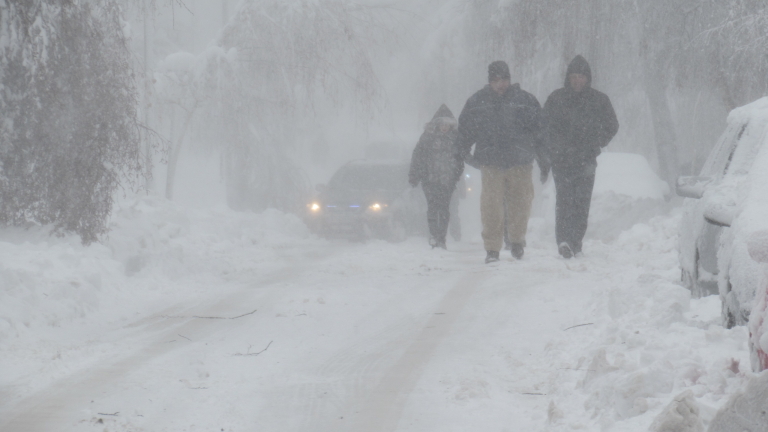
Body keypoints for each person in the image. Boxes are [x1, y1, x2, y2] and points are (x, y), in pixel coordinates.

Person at [458, 61, 549, 264]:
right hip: (491, 163)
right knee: (491, 207)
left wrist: (544, 160)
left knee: (521, 203)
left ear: (510, 79)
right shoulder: (477, 102)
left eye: (504, 79)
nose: (501, 84)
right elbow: (464, 131)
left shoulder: (525, 101)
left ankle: (516, 241)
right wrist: (465, 154)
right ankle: (492, 248)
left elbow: (540, 132)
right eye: (497, 80)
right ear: (490, 81)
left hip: (521, 161)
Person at [543, 55, 619, 258]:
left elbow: (612, 125)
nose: (578, 80)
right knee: (565, 202)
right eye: (574, 76)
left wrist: (597, 141)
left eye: (581, 76)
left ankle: (576, 242)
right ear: (568, 77)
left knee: (581, 203)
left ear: (588, 78)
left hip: (586, 161)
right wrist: (554, 149)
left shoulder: (599, 100)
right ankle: (564, 241)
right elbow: (544, 127)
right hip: (562, 161)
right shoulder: (556, 99)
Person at [409, 104, 464, 249]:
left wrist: (456, 176)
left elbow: (460, 159)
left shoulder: (455, 138)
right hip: (430, 180)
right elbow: (418, 156)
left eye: (447, 124)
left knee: (444, 208)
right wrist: (414, 175)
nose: (444, 127)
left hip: (448, 181)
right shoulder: (427, 137)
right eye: (442, 124)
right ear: (437, 124)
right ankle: (434, 236)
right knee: (433, 208)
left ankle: (441, 238)